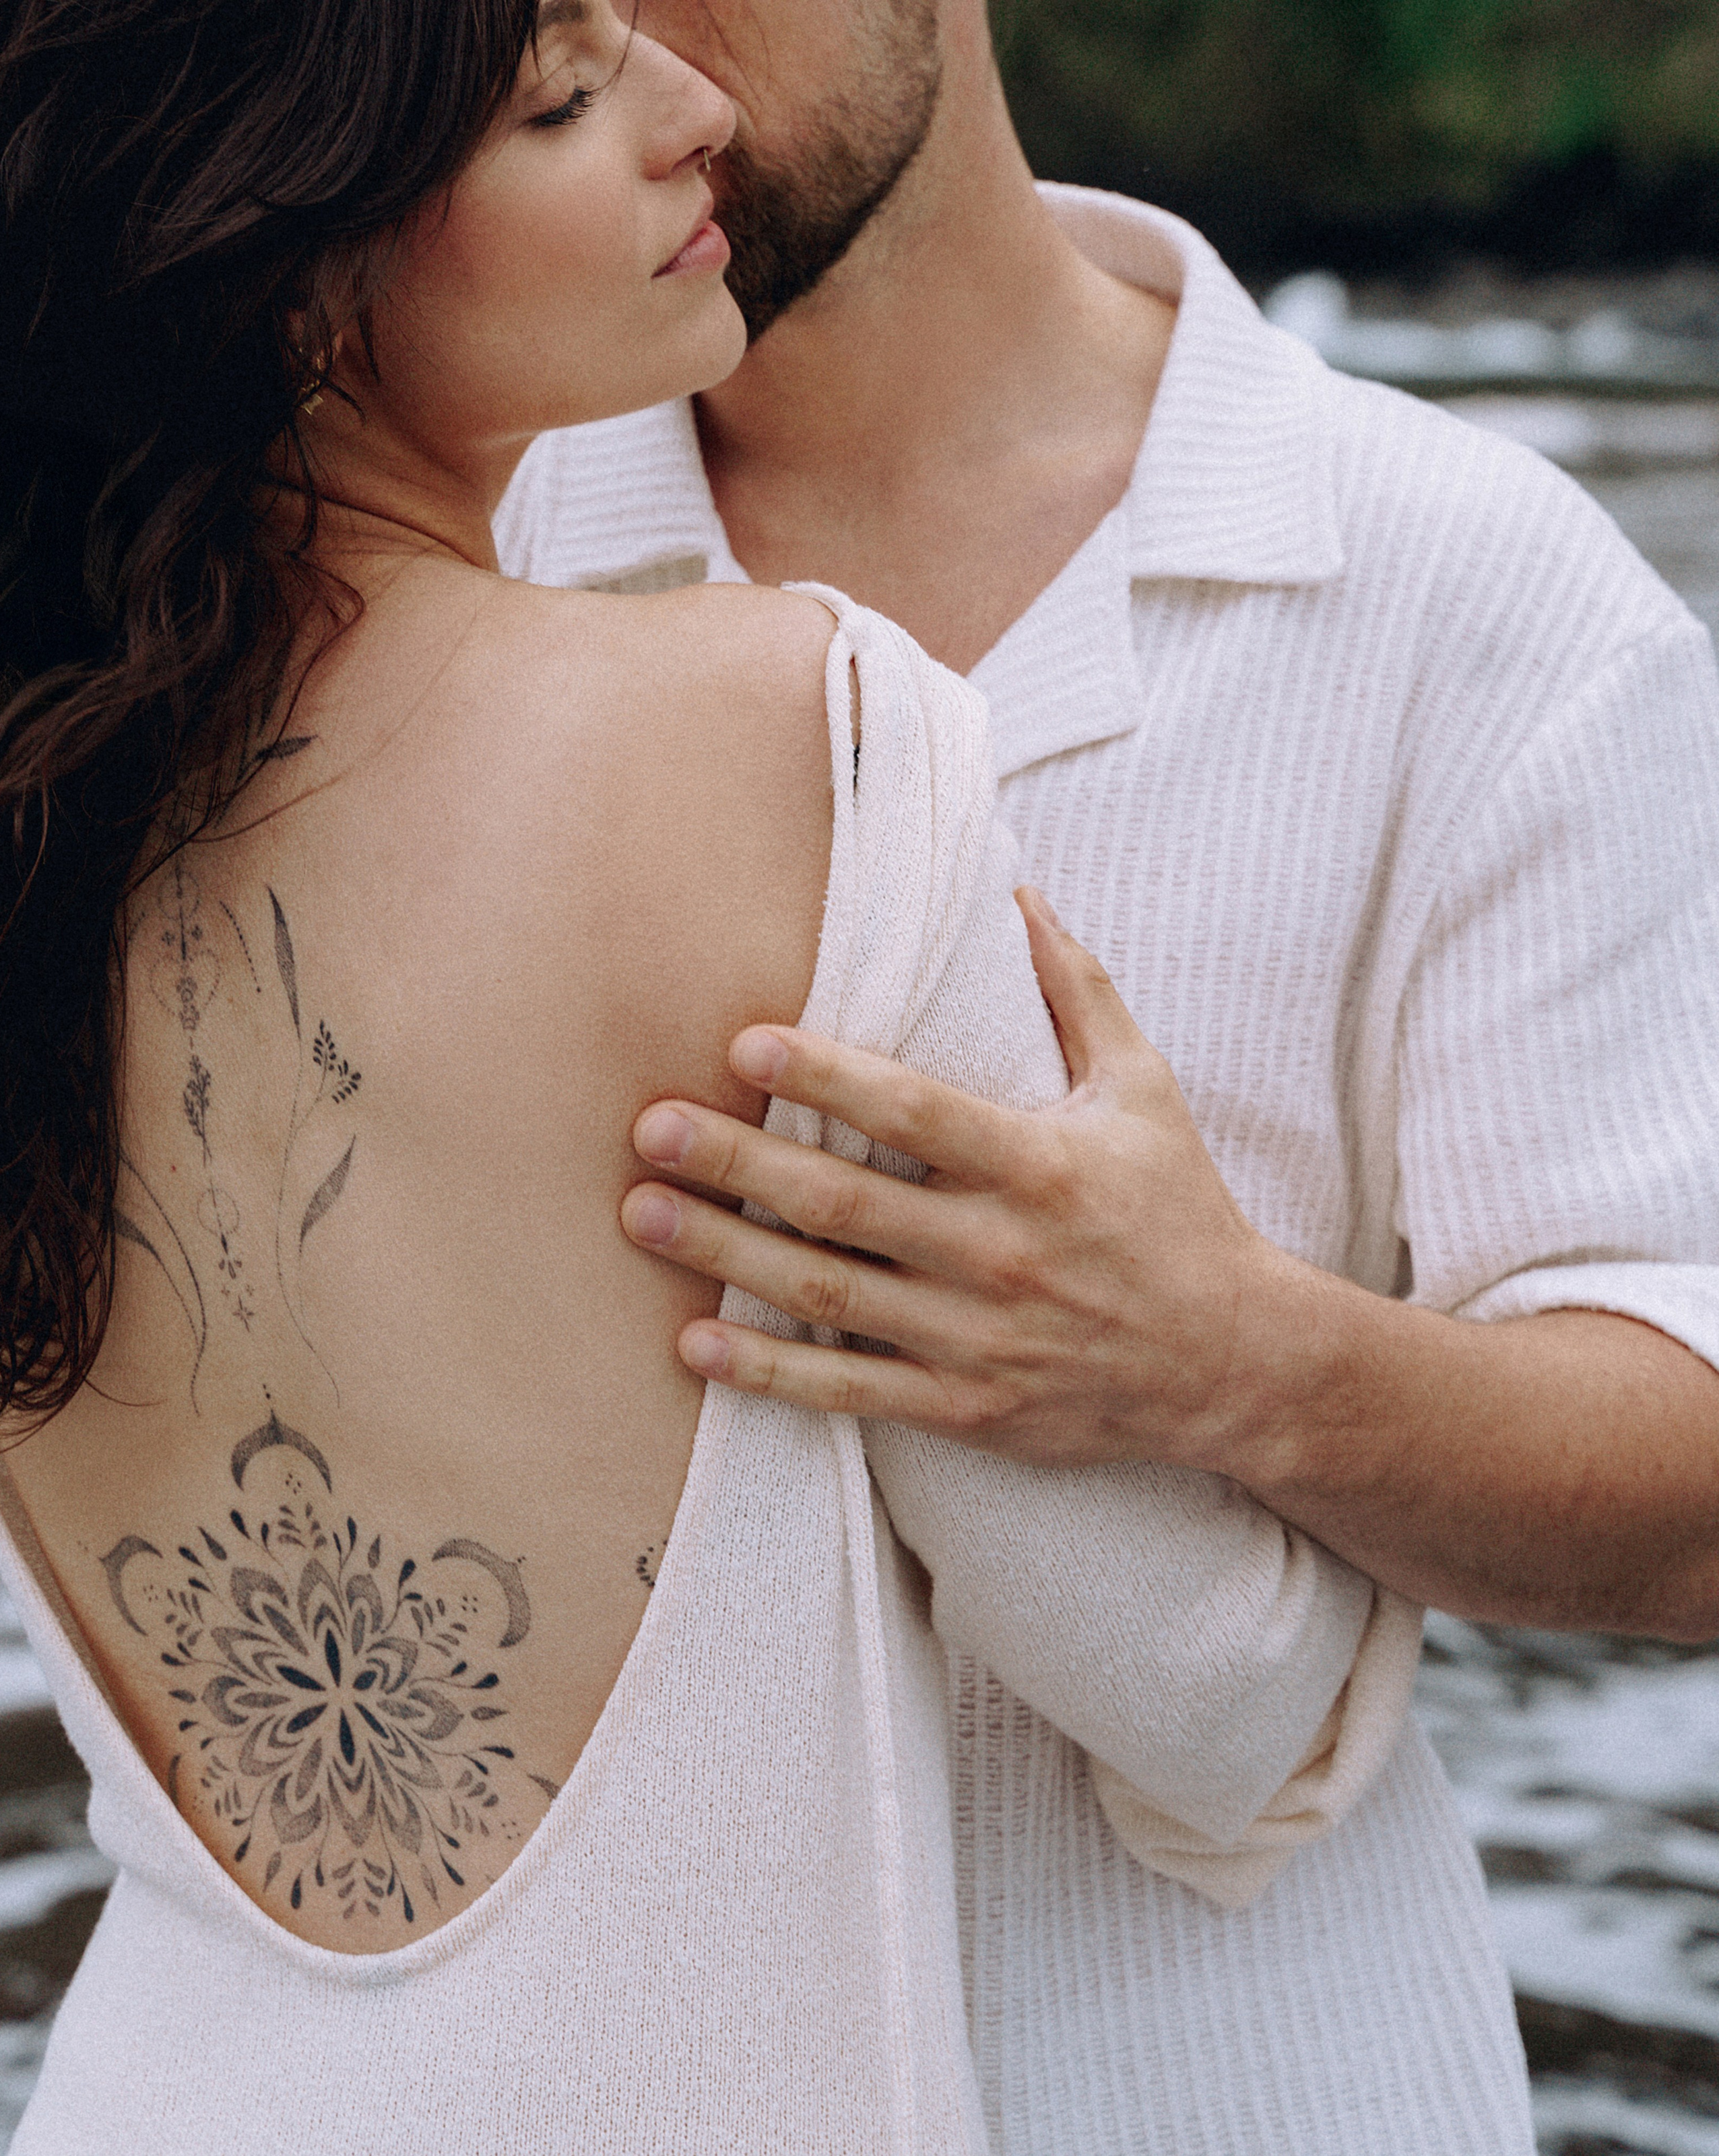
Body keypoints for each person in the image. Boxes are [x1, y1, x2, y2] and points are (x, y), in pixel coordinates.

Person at [0, 0, 1448, 2148]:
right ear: (289, 267)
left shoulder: (38, 832)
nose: (695, 111)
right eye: (564, 99)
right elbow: (1204, 1696)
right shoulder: (792, 732)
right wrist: (1241, 1341)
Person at [493, 0, 1719, 2146]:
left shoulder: (1485, 590)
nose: (637, 65)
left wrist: (1237, 1355)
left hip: (1250, 2085)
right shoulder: (407, 565)